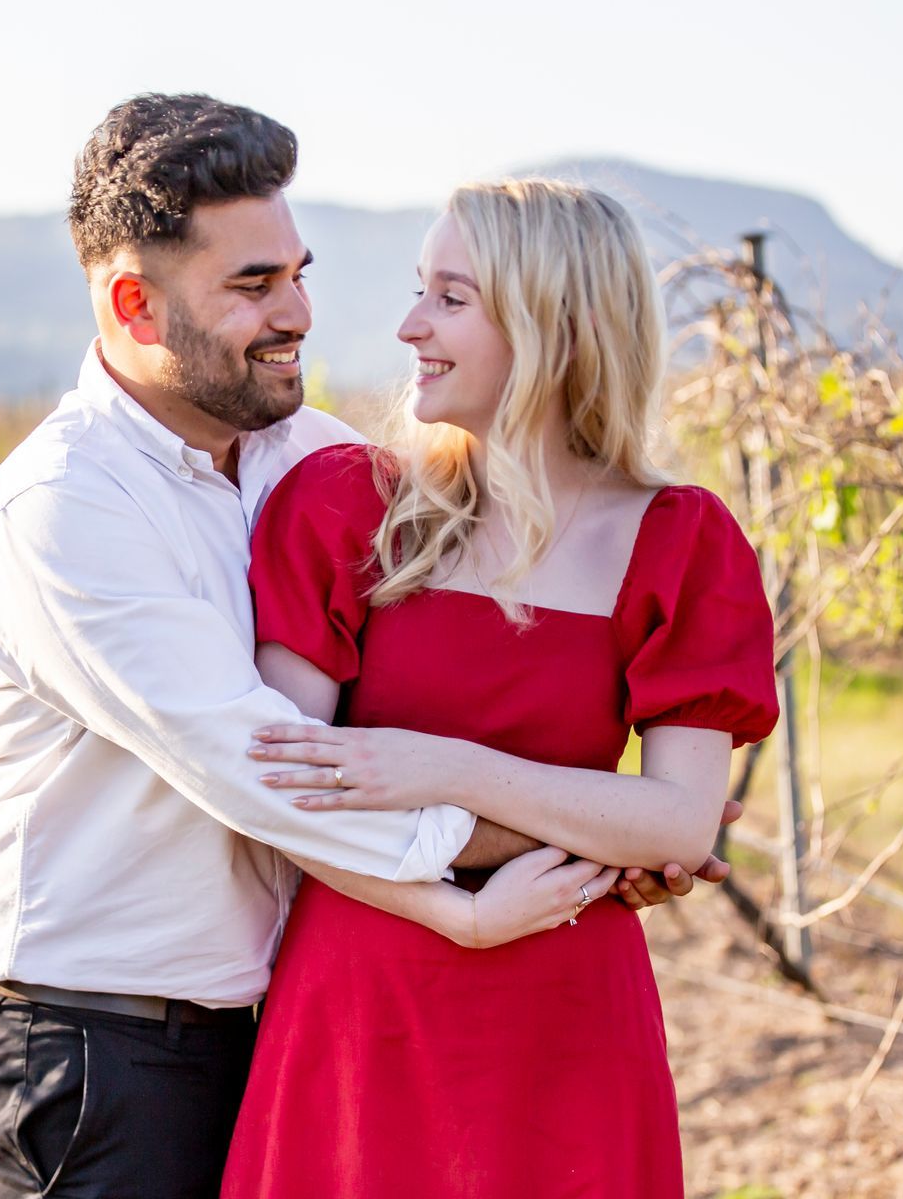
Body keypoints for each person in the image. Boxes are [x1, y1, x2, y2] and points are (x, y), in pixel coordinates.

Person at [0, 95, 731, 1199]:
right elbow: (271, 768)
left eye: (298, 270)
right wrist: (593, 839)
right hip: (96, 1048)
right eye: (254, 286)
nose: (302, 311)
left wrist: (635, 826)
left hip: (270, 1021)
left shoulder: (315, 461)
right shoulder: (67, 507)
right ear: (136, 304)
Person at [218, 179, 780, 1198]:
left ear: (555, 324)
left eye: (451, 297)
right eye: (418, 290)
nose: (409, 325)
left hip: (566, 1020)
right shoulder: (349, 506)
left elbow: (681, 825)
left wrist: (443, 768)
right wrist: (559, 852)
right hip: (362, 1007)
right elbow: (280, 791)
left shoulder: (681, 541)